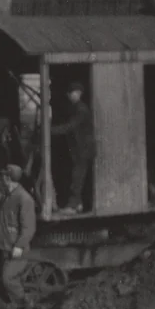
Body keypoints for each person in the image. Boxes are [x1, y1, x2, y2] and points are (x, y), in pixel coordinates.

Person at [0, 163, 38, 306]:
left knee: (8, 279)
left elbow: (29, 227)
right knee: (3, 280)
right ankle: (13, 307)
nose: (1, 179)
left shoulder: (24, 199)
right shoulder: (6, 197)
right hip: (5, 247)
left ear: (8, 178)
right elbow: (1, 220)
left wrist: (19, 246)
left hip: (16, 249)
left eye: (4, 176)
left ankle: (27, 305)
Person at [50, 81, 94, 214]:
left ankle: (73, 206)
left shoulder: (81, 109)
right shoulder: (76, 108)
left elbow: (70, 126)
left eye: (74, 93)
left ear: (79, 94)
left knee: (77, 178)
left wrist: (50, 131)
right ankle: (78, 204)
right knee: (77, 176)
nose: (72, 95)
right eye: (70, 93)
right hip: (80, 150)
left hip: (83, 150)